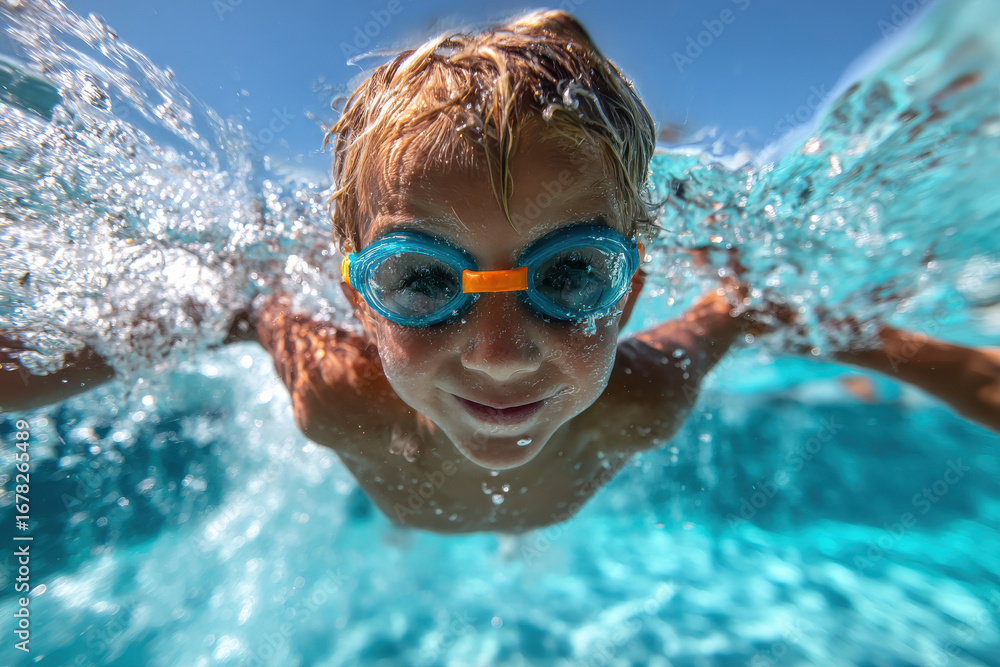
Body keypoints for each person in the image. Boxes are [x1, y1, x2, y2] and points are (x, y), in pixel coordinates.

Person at [2, 10, 998, 534]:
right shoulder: (336, 395)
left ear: (632, 288)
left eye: (569, 275)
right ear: (356, 294)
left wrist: (955, 367)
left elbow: (746, 308)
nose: (498, 352)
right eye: (421, 283)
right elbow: (234, 309)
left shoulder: (640, 399)